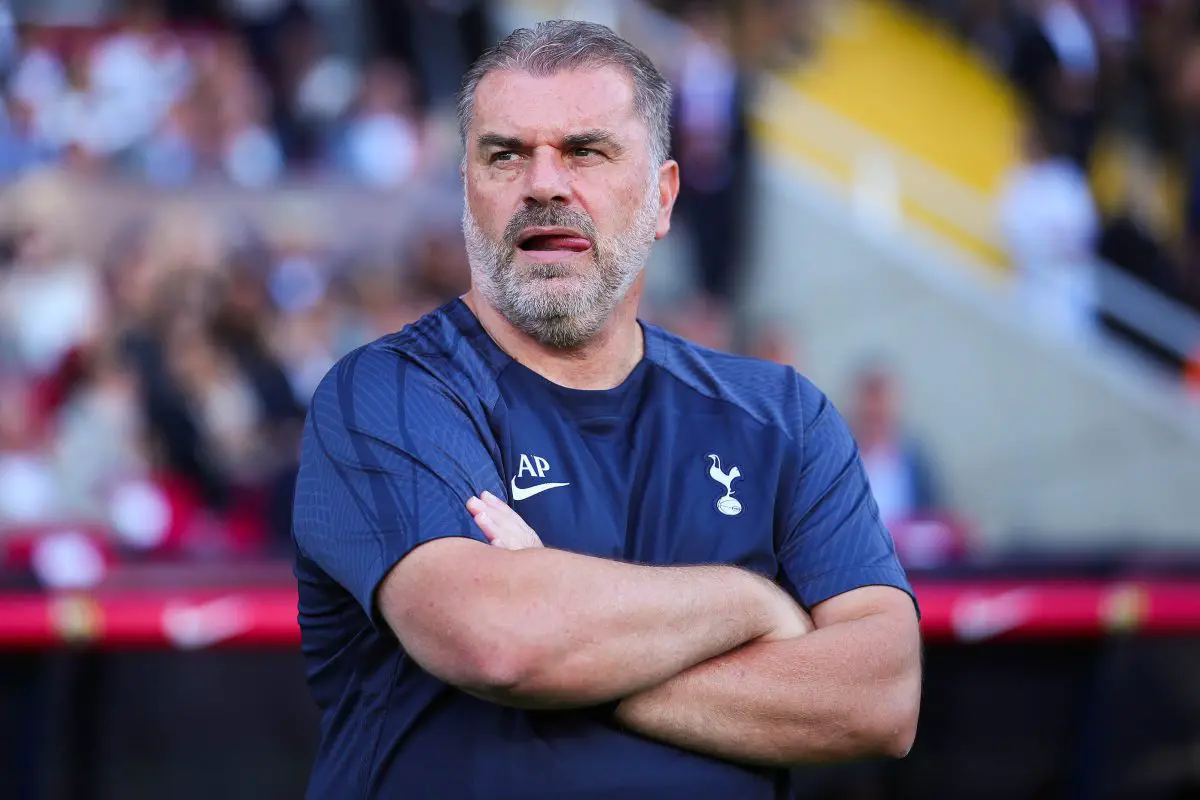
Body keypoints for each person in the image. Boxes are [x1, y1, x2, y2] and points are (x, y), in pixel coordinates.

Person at [291, 20, 921, 800]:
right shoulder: (387, 395)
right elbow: (502, 644)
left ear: (661, 198)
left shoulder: (784, 418)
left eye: (585, 150)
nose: (544, 183)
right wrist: (753, 603)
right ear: (466, 194)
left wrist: (573, 637)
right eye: (505, 154)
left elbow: (880, 699)